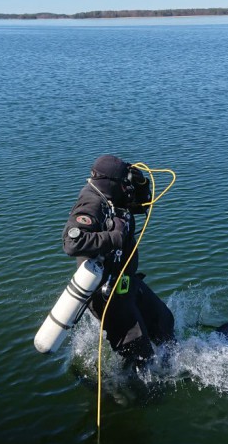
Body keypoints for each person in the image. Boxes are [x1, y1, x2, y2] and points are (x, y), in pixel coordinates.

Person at [62, 154, 175, 365]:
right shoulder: (92, 203)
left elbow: (142, 205)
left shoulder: (113, 196)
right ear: (110, 182)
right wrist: (114, 237)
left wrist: (141, 183)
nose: (126, 187)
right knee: (139, 354)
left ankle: (170, 365)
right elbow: (72, 243)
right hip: (108, 296)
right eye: (124, 183)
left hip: (126, 283)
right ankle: (132, 383)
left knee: (164, 322)